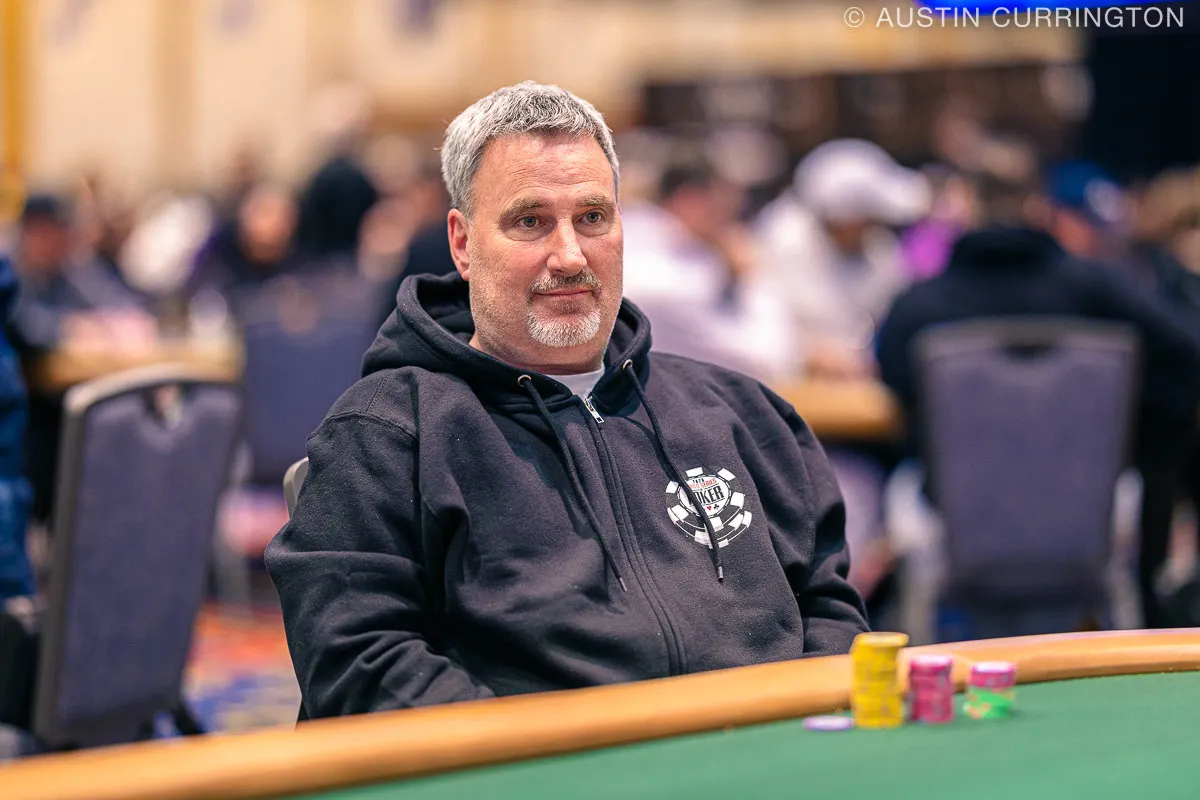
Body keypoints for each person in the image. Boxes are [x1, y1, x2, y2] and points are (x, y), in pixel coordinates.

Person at [266, 82, 868, 719]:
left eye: (593, 218)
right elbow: (359, 663)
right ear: (463, 244)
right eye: (530, 222)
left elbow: (828, 611)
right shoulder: (387, 433)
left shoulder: (745, 414)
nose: (570, 255)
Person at [876, 174, 1200, 635]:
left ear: (967, 212)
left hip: (953, 521)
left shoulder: (918, 305)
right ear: (1039, 210)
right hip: (1090, 517)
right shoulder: (1098, 290)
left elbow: (892, 390)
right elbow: (1186, 354)